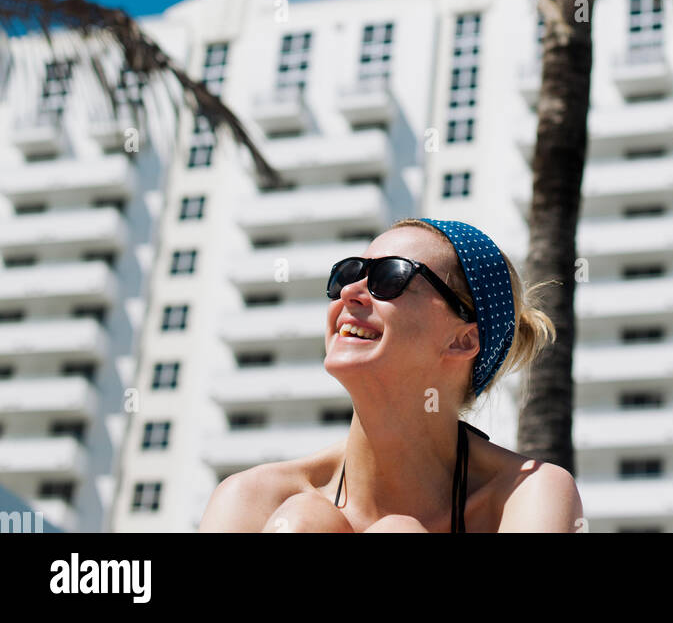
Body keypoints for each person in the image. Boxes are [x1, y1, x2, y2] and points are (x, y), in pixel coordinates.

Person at [200, 217, 583, 532]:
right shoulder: (253, 498)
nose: (350, 291)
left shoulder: (525, 493)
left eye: (390, 277)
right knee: (302, 522)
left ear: (464, 340)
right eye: (347, 274)